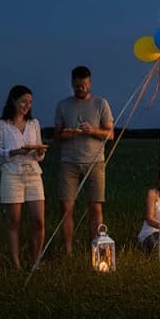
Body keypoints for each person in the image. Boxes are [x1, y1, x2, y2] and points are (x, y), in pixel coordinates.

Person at [54, 66, 114, 254]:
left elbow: (110, 134)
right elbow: (56, 135)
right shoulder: (63, 105)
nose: (81, 88)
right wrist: (68, 133)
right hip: (69, 162)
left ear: (90, 83)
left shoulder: (100, 103)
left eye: (84, 85)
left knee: (95, 207)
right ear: (72, 83)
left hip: (95, 163)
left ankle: (97, 251)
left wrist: (92, 130)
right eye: (78, 85)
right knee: (66, 207)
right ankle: (68, 252)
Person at [0, 85, 47, 268]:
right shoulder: (1, 126)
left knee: (38, 221)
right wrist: (16, 151)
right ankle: (16, 264)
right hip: (12, 175)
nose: (27, 106)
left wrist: (39, 152)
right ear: (13, 101)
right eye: (23, 102)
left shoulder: (34, 124)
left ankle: (36, 260)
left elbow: (39, 153)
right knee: (14, 221)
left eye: (30, 102)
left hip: (33, 174)